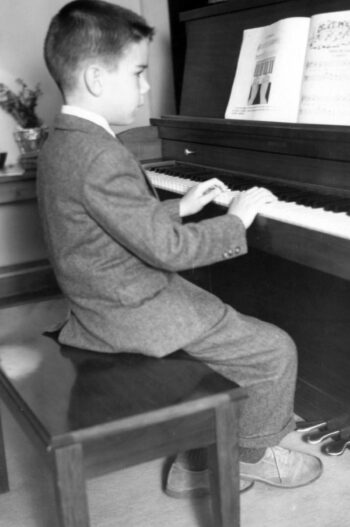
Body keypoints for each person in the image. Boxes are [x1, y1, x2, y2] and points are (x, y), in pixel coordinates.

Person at [37, 0, 322, 499]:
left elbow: (111, 227)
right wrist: (236, 219)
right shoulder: (101, 154)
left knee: (227, 325)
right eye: (140, 72)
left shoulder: (64, 141)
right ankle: (245, 457)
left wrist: (183, 206)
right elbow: (166, 251)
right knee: (274, 349)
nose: (148, 85)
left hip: (101, 299)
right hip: (131, 311)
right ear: (98, 78)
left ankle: (203, 450)